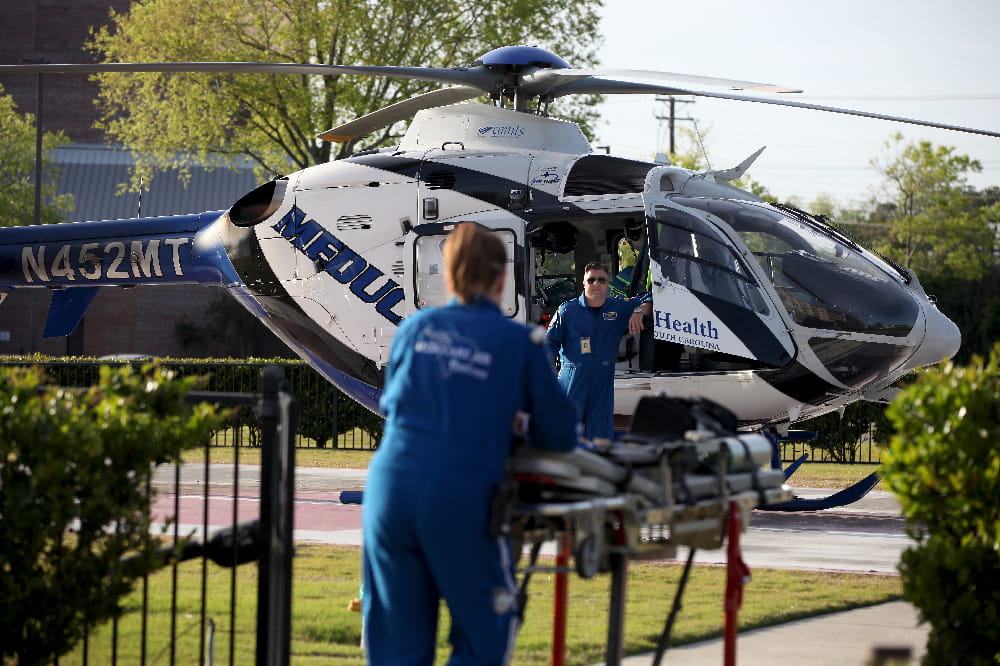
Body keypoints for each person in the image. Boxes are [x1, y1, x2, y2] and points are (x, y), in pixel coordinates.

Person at [361, 222, 578, 665]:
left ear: (448, 275)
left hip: (389, 494)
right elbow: (558, 435)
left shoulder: (414, 329)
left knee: (394, 647)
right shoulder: (518, 341)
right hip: (458, 496)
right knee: (485, 636)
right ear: (502, 278)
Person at [546, 261, 651, 440]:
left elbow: (650, 298)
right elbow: (548, 347)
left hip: (602, 381)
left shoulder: (618, 308)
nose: (596, 284)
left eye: (601, 280)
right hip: (572, 380)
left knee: (601, 434)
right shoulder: (567, 311)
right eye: (592, 279)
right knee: (565, 433)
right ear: (584, 283)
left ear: (608, 284)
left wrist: (637, 310)